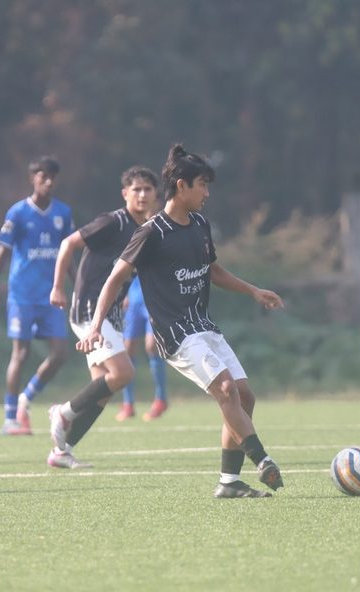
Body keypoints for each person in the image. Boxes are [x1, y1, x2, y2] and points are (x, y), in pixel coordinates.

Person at [70, 144, 285, 498]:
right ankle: (262, 460)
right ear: (182, 186)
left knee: (245, 396)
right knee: (226, 390)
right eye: (202, 185)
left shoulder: (200, 224)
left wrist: (253, 291)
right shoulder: (151, 232)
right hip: (176, 334)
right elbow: (114, 279)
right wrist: (95, 326)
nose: (207, 193)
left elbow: (213, 270)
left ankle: (229, 482)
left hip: (203, 325)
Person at [47, 166, 158, 468]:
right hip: (89, 308)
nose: (142, 194)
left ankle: (62, 451)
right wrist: (58, 287)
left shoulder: (146, 231)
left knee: (103, 391)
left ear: (155, 195)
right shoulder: (113, 222)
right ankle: (63, 412)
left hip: (112, 313)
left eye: (148, 189)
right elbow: (68, 243)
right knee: (123, 373)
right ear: (125, 194)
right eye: (136, 189)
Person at [0, 156, 74, 435]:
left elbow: (69, 255)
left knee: (60, 354)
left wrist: (79, 288)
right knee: (20, 353)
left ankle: (26, 397)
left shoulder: (63, 213)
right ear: (33, 178)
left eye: (52, 177)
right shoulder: (18, 212)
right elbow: (1, 255)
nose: (48, 181)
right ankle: (10, 418)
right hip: (22, 296)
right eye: (43, 176)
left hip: (52, 297)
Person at [116, 274, 169, 422]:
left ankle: (161, 399)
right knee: (128, 349)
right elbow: (124, 268)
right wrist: (124, 293)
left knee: (152, 346)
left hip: (154, 300)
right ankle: (128, 403)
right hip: (134, 300)